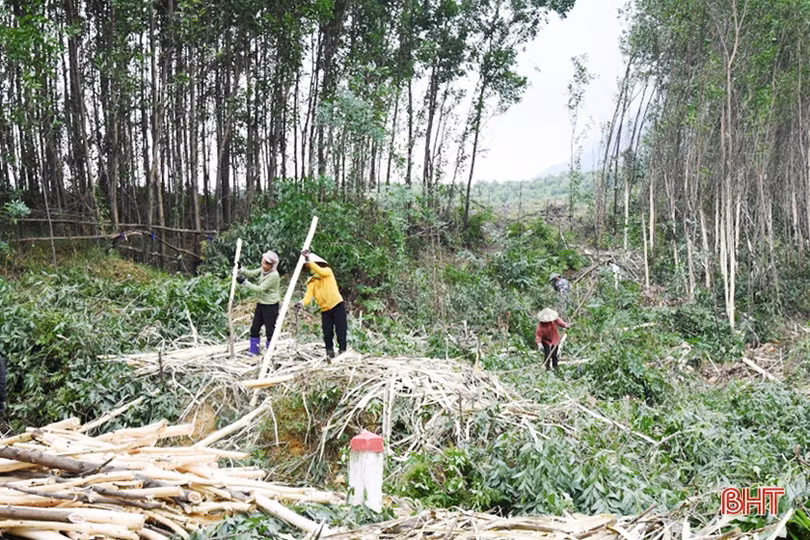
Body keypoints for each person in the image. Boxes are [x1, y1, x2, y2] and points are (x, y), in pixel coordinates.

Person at [294, 249, 346, 359]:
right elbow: (308, 297)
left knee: (341, 330)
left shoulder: (327, 271)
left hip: (337, 305)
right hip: (325, 310)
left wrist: (308, 259)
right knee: (327, 333)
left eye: (310, 266)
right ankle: (329, 354)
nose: (310, 268)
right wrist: (301, 303)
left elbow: (320, 271)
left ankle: (342, 352)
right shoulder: (311, 282)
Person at [238, 251, 280, 356]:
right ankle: (254, 351)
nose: (263, 265)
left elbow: (260, 289)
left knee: (269, 330)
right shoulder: (263, 269)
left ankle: (271, 353)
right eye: (263, 262)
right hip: (261, 304)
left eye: (266, 263)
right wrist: (241, 269)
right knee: (255, 328)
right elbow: (252, 274)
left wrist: (244, 283)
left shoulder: (274, 275)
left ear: (272, 265)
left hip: (270, 305)